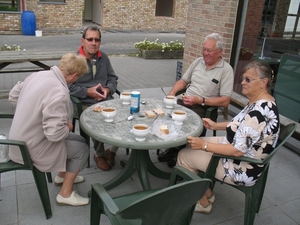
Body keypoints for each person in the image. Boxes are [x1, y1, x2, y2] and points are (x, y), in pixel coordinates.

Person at [177, 61, 280, 214]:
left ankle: (203, 203)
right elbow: (241, 125)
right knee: (190, 145)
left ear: (263, 83)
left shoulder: (257, 113)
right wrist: (215, 125)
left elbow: (237, 151)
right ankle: (207, 193)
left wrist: (204, 146)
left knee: (183, 156)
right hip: (239, 149)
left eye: (248, 80)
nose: (242, 82)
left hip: (241, 166)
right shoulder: (264, 102)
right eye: (243, 78)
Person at [8, 53, 90, 206]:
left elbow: (13, 96)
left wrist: (32, 111)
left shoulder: (37, 75)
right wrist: (68, 127)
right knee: (82, 150)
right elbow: (54, 134)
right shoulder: (59, 92)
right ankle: (65, 194)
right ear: (74, 75)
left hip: (19, 140)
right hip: (29, 148)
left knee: (79, 140)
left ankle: (62, 175)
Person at [158, 33, 234, 167]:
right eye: (203, 49)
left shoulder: (226, 70)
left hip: (204, 107)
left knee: (185, 122)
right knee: (164, 114)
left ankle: (182, 153)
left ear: (219, 52)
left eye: (209, 50)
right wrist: (172, 94)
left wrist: (200, 100)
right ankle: (173, 147)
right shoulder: (198, 62)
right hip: (186, 100)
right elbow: (183, 81)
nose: (205, 53)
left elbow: (225, 100)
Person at [68, 26, 119, 171]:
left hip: (105, 99)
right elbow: (67, 86)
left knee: (125, 114)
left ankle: (112, 151)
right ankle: (99, 154)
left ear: (100, 42)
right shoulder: (74, 59)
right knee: (96, 119)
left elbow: (113, 78)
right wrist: (87, 92)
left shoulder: (103, 57)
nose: (93, 43)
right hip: (83, 102)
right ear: (82, 41)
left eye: (96, 40)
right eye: (89, 39)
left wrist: (108, 89)